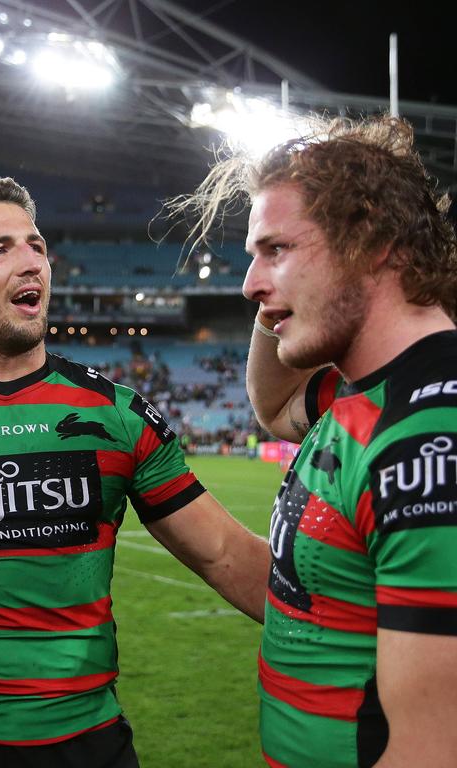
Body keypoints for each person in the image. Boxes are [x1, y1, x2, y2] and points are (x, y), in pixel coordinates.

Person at [0, 176, 270, 767]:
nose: (30, 262)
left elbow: (226, 556)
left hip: (90, 744)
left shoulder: (116, 414)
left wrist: (379, 621)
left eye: (36, 245)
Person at [170, 115, 457, 767]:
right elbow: (274, 406)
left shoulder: (429, 441)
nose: (249, 285)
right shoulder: (361, 392)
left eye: (276, 250)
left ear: (377, 242)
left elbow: (431, 751)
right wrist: (281, 301)